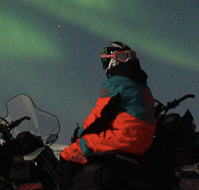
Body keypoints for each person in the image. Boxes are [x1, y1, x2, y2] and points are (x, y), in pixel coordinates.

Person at [60, 42, 157, 171]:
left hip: (122, 139)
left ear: (112, 61)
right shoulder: (143, 87)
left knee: (68, 154)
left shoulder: (116, 82)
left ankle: (65, 185)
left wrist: (79, 133)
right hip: (143, 144)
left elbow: (99, 115)